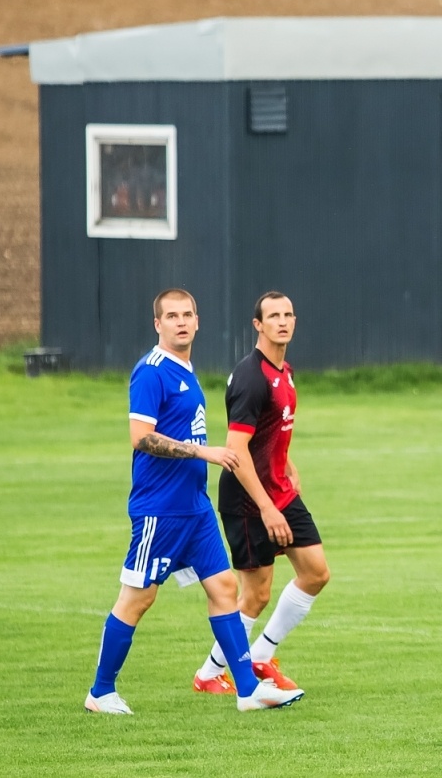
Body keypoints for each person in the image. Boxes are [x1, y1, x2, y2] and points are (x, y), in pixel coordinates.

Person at [84, 288, 297, 714]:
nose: (181, 322)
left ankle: (246, 691)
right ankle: (101, 692)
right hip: (160, 509)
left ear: (198, 321)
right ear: (157, 324)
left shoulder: (186, 368)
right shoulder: (151, 372)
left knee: (222, 588)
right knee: (138, 598)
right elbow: (141, 437)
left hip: (195, 507)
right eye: (172, 316)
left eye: (187, 315)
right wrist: (205, 452)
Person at [193, 292, 328, 704]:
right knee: (256, 593)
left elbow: (270, 434)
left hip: (278, 491)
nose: (282, 321)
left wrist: (286, 465)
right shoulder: (251, 377)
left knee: (316, 572)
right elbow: (236, 453)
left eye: (288, 314)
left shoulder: (283, 370)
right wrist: (267, 508)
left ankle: (261, 655)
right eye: (273, 316)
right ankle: (209, 673)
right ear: (258, 325)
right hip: (250, 501)